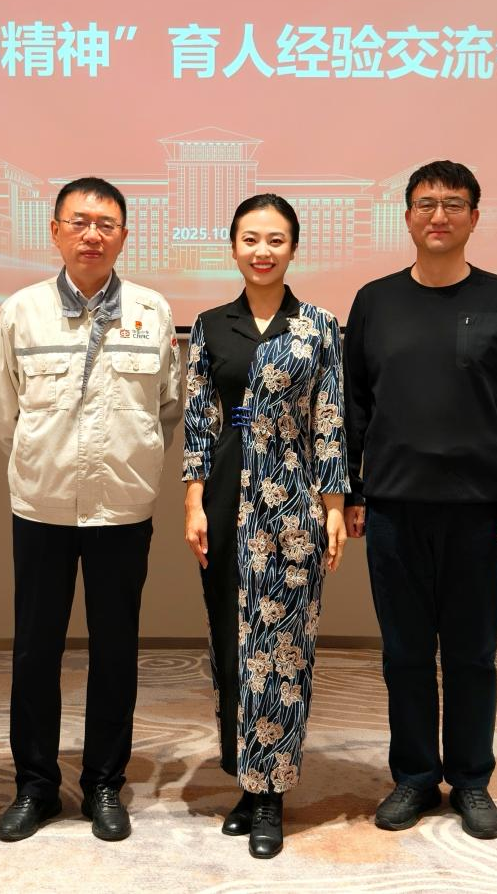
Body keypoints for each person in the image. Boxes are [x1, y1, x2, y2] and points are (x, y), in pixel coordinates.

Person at [343, 160, 497, 840]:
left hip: (477, 510)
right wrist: (350, 490)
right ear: (406, 216)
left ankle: (471, 779)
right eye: (425, 203)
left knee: (470, 654)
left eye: (453, 204)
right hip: (391, 506)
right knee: (403, 653)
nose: (438, 215)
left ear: (474, 217)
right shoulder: (374, 301)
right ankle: (414, 776)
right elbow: (353, 405)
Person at [0, 177, 182, 843]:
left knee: (115, 651)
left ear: (123, 236)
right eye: (78, 222)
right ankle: (35, 785)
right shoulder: (20, 311)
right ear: (55, 231)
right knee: (34, 652)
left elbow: (165, 408)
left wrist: (127, 461)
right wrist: (46, 463)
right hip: (41, 506)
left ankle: (104, 782)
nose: (91, 235)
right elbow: (6, 414)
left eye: (105, 224)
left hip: (121, 509)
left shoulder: (153, 310)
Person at [182, 193, 348, 859]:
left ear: (293, 248)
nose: (262, 250)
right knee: (231, 640)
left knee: (283, 645)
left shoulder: (318, 325)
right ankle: (244, 781)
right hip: (226, 491)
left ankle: (272, 791)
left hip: (292, 498)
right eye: (250, 238)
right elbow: (200, 418)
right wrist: (193, 501)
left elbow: (330, 420)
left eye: (275, 239)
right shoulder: (209, 325)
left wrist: (333, 508)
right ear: (232, 246)